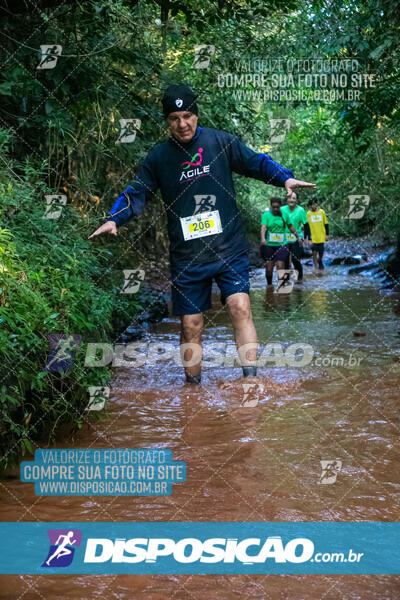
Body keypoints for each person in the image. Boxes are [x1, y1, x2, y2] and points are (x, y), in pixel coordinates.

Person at [89, 83, 316, 384]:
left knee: (240, 307)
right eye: (174, 118)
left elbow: (256, 162)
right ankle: (193, 391)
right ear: (167, 121)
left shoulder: (220, 142)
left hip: (228, 248)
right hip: (187, 256)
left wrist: (284, 177)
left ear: (196, 114)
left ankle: (250, 380)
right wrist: (115, 218)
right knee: (191, 325)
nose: (182, 124)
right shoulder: (158, 158)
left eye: (187, 115)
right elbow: (137, 191)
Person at [260, 197, 302, 287]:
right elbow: (264, 227)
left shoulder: (285, 215)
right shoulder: (266, 215)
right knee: (269, 268)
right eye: (273, 207)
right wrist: (263, 238)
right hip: (269, 245)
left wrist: (298, 237)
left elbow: (291, 227)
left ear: (280, 206)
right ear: (271, 206)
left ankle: (281, 287)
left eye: (277, 207)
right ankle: (270, 286)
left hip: (282, 244)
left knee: (280, 265)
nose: (275, 209)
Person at [281, 193, 308, 283]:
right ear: (287, 199)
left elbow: (306, 225)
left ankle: (300, 279)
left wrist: (308, 238)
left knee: (295, 258)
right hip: (284, 237)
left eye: (293, 198)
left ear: (296, 200)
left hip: (297, 237)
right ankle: (285, 281)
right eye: (289, 198)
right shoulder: (282, 209)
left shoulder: (301, 210)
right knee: (284, 259)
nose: (291, 200)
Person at [305, 198, 329, 270]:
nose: (313, 206)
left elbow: (326, 224)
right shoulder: (308, 214)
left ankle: (320, 260)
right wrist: (307, 238)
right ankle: (315, 268)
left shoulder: (322, 212)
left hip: (321, 236)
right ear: (309, 206)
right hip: (313, 237)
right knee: (314, 252)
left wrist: (327, 234)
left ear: (317, 204)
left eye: (314, 204)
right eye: (311, 205)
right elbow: (307, 227)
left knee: (321, 252)